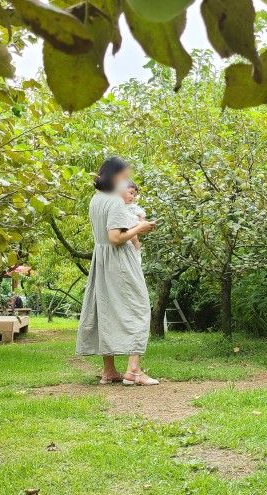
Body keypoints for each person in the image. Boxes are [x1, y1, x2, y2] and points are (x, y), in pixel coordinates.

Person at [76, 156, 159, 386]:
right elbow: (115, 238)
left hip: (101, 260)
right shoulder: (114, 202)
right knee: (139, 307)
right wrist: (140, 228)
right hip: (119, 260)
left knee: (106, 309)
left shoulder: (96, 199)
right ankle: (134, 370)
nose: (126, 181)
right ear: (114, 176)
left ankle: (109, 371)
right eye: (124, 176)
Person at [121, 180, 146, 251]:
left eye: (134, 195)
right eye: (131, 193)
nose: (133, 197)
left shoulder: (132, 206)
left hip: (132, 227)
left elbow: (141, 215)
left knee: (134, 238)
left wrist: (142, 223)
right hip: (123, 229)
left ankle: (137, 251)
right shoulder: (118, 204)